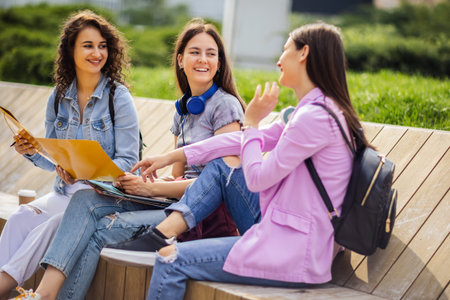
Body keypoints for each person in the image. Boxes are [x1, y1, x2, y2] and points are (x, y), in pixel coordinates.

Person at [105, 22, 373, 300]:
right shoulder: (317, 110)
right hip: (286, 232)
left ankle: (161, 237)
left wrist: (252, 122)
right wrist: (171, 157)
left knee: (171, 259)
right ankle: (162, 233)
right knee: (222, 165)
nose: (279, 60)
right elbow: (235, 143)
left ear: (303, 54)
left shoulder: (313, 119)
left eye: (285, 51)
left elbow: (257, 178)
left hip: (294, 253)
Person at [15, 18, 246, 300]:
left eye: (211, 54)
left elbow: (217, 184)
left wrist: (152, 188)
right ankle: (44, 294)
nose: (203, 59)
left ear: (220, 63)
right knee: (83, 199)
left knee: (99, 230)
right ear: (180, 59)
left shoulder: (225, 106)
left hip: (199, 221)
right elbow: (179, 177)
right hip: (174, 203)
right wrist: (148, 181)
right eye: (195, 52)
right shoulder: (183, 110)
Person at [0, 9, 140, 300]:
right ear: (71, 50)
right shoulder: (58, 96)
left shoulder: (118, 97)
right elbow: (54, 157)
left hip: (100, 196)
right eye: (88, 45)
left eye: (102, 46)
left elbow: (129, 161)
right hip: (64, 191)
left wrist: (89, 173)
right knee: (21, 217)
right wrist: (32, 151)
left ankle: (4, 287)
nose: (97, 53)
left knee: (53, 224)